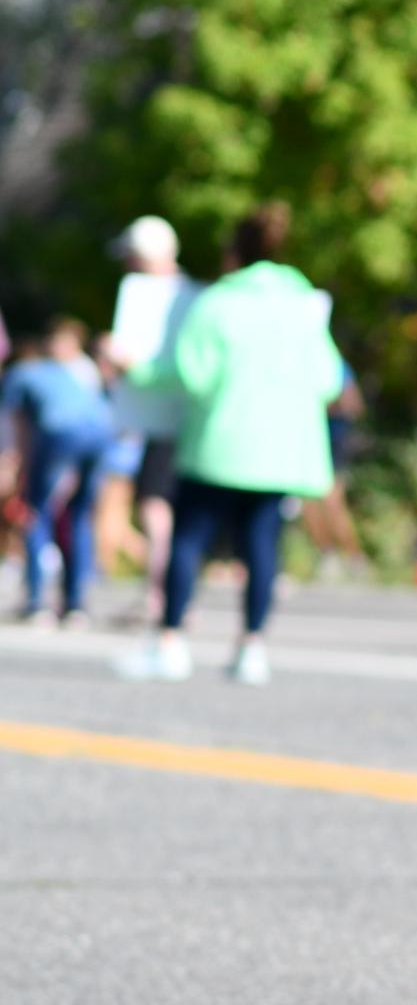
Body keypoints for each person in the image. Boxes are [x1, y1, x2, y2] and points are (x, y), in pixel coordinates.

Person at [117, 203, 350, 688]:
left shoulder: (218, 303)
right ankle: (251, 648)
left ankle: (171, 642)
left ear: (233, 254)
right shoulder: (303, 306)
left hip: (220, 445)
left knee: (189, 540)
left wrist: (133, 367)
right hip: (282, 453)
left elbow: (191, 374)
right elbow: (329, 380)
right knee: (261, 546)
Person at [102, 213, 200, 613]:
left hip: (172, 421)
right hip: (171, 419)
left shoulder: (180, 298)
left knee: (158, 506)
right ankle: (167, 593)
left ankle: (162, 595)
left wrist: (130, 366)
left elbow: (183, 369)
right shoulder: (193, 295)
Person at [5, 315, 121, 626]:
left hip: (59, 440)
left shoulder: (24, 373)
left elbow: (19, 428)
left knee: (36, 512)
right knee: (79, 515)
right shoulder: (87, 371)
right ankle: (75, 603)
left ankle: (37, 601)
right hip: (99, 439)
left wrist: (20, 467)